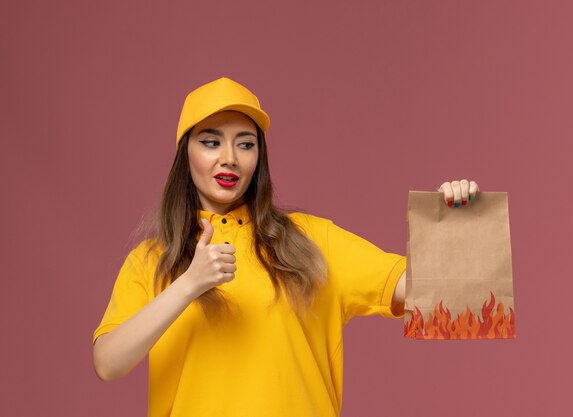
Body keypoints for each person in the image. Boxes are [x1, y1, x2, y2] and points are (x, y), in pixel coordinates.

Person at [92, 77, 480, 417]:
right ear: (185, 154)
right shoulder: (151, 262)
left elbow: (440, 297)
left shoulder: (311, 242)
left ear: (258, 158)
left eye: (245, 144)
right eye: (211, 142)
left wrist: (453, 227)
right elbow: (108, 363)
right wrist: (189, 284)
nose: (229, 158)